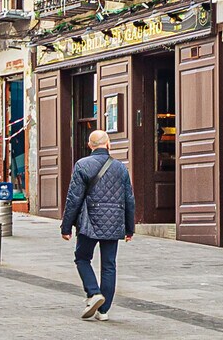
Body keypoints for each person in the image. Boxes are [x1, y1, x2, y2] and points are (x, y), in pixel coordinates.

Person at [60, 127, 134, 321]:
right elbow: (129, 199)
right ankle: (104, 311)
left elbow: (73, 198)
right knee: (109, 265)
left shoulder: (82, 165)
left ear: (89, 146)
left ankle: (94, 293)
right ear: (108, 144)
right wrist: (130, 228)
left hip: (89, 222)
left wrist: (66, 227)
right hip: (115, 221)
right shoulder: (120, 167)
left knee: (82, 258)